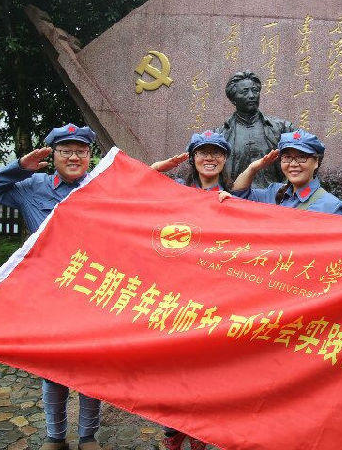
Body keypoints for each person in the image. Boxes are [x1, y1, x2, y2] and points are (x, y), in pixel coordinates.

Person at [0, 124, 105, 450]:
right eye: (66, 151)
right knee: (52, 368)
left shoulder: (102, 188)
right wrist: (19, 167)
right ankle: (55, 436)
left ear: (90, 156)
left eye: (81, 151)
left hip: (92, 293)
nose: (74, 156)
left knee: (91, 366)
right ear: (55, 154)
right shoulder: (33, 186)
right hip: (50, 295)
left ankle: (88, 436)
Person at [150, 130, 233, 450]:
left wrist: (235, 207)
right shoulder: (172, 192)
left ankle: (200, 433)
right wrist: (154, 170)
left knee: (208, 370)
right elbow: (132, 196)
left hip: (217, 298)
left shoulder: (236, 197)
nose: (209, 158)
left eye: (216, 153)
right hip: (175, 293)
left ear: (224, 159)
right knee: (173, 367)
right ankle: (172, 432)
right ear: (192, 157)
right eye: (202, 152)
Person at [231, 129, 342, 214]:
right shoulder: (273, 192)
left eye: (301, 157)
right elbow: (239, 195)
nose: (293, 164)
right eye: (287, 157)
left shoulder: (331, 206)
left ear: (316, 162)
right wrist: (253, 168)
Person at [216, 71, 293, 189]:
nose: (252, 95)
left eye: (255, 91)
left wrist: (287, 188)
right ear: (233, 99)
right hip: (235, 200)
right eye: (244, 92)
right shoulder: (220, 134)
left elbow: (312, 152)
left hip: (274, 201)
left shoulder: (282, 128)